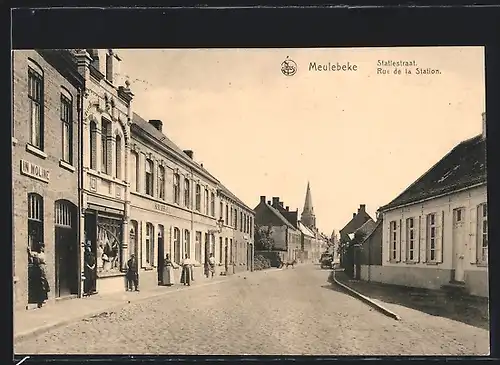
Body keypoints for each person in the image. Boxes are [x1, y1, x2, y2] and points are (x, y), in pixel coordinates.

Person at [27, 243, 50, 308]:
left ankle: (42, 300)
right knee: (38, 285)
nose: (41, 248)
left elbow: (44, 263)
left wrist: (45, 271)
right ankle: (38, 301)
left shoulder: (43, 255)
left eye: (42, 247)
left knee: (43, 285)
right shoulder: (36, 254)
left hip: (43, 270)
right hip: (37, 270)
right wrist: (29, 249)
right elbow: (30, 254)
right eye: (40, 247)